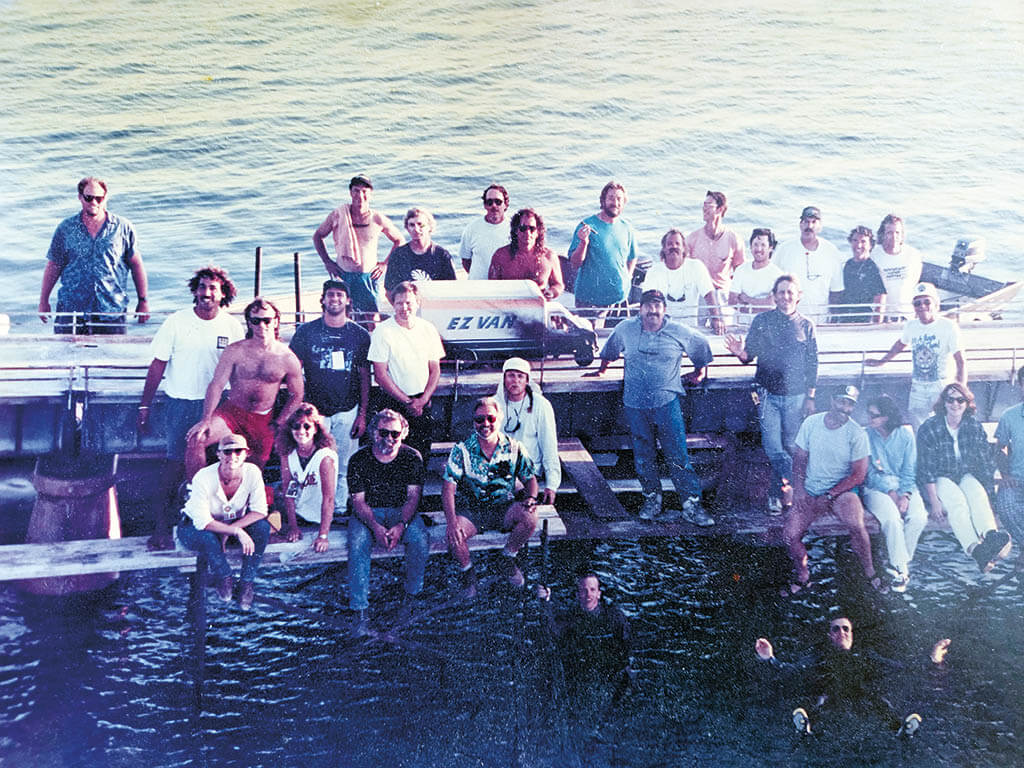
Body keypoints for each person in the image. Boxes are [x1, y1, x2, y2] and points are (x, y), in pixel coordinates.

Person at [138, 266, 244, 550]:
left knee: (218, 467)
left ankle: (214, 533)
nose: (207, 293)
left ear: (224, 295)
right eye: (202, 287)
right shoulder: (176, 322)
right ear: (195, 291)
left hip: (219, 408)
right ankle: (161, 529)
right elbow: (157, 365)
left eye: (213, 289)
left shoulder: (232, 326)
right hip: (181, 405)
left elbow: (238, 373)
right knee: (174, 468)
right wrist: (144, 406)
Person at [588, 289, 715, 526]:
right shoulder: (625, 328)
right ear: (640, 309)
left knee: (677, 455)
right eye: (648, 306)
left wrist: (699, 372)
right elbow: (610, 350)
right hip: (634, 404)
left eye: (657, 306)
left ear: (664, 310)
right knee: (643, 455)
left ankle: (692, 505)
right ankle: (651, 500)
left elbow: (702, 345)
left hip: (667, 402)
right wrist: (602, 369)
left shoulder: (679, 331)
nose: (652, 310)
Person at [755, 613, 950, 737]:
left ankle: (901, 728)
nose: (842, 632)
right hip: (830, 689)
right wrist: (769, 658)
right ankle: (806, 725)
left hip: (860, 691)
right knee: (820, 701)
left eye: (846, 628)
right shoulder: (820, 654)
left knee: (880, 702)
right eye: (836, 628)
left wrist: (932, 659)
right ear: (830, 635)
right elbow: (794, 669)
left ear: (852, 634)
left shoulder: (865, 655)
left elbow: (900, 667)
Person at [725, 274, 818, 515]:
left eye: (790, 292)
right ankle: (805, 488)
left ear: (798, 296)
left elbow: (812, 363)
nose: (786, 297)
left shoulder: (806, 325)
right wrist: (739, 352)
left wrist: (810, 396)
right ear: (774, 296)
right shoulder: (762, 320)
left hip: (796, 397)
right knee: (773, 447)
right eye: (781, 292)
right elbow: (749, 357)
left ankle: (776, 495)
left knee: (790, 445)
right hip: (767, 396)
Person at [185, 298, 304, 477]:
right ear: (249, 323)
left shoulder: (287, 358)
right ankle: (194, 491)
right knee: (197, 439)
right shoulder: (235, 351)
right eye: (255, 320)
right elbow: (216, 385)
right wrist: (206, 419)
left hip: (264, 421)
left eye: (267, 320)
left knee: (252, 473)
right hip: (232, 413)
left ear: (276, 321)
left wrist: (280, 422)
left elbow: (297, 395)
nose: (261, 325)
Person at [782, 385, 884, 594]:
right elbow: (799, 458)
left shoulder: (857, 433)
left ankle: (870, 571)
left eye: (850, 404)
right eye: (841, 401)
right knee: (789, 535)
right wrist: (800, 491)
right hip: (810, 490)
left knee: (857, 525)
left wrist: (830, 495)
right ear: (831, 401)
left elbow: (858, 475)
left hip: (842, 492)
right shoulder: (811, 423)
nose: (845, 408)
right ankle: (803, 576)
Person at [288, 279, 370, 518]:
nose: (334, 299)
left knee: (344, 464)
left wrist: (363, 414)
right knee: (314, 463)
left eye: (339, 295)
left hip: (348, 410)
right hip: (315, 413)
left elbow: (365, 376)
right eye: (330, 295)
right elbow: (294, 371)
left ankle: (341, 508)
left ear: (348, 301)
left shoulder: (360, 335)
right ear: (322, 300)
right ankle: (314, 511)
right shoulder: (305, 332)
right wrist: (299, 408)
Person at [442, 397, 539, 596]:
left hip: (504, 507)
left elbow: (530, 479)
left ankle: (507, 558)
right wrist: (451, 521)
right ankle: (468, 573)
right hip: (472, 511)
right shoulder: (461, 450)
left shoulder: (515, 447)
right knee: (454, 535)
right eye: (479, 420)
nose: (485, 424)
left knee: (530, 519)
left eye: (490, 418)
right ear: (473, 421)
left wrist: (531, 497)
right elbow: (448, 488)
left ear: (499, 419)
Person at [916, 382, 1012, 573]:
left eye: (960, 400)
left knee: (977, 494)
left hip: (965, 474)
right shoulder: (930, 427)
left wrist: (990, 496)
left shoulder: (973, 426)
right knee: (957, 502)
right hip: (938, 478)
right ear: (943, 403)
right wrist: (934, 502)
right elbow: (925, 469)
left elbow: (985, 464)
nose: (955, 404)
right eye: (950, 399)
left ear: (967, 403)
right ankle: (975, 549)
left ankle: (991, 536)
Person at [347, 409, 429, 630]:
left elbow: (413, 497)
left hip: (400, 512)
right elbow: (358, 502)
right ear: (374, 433)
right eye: (384, 433)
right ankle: (360, 609)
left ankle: (411, 596)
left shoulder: (412, 457)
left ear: (403, 433)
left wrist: (401, 525)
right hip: (368, 514)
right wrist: (375, 526)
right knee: (357, 544)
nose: (389, 439)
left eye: (395, 434)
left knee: (420, 539)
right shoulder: (358, 459)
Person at [39, 176, 149, 335]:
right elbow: (53, 265)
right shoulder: (65, 229)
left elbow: (136, 265)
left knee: (109, 358)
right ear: (80, 197)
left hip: (111, 309)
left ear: (105, 198)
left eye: (99, 198)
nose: (94, 203)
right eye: (89, 198)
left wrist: (143, 301)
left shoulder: (122, 228)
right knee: (67, 357)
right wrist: (44, 301)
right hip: (72, 309)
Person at [176, 434, 271, 611]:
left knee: (262, 527)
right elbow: (202, 522)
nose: (232, 456)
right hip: (194, 527)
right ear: (219, 454)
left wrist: (230, 530)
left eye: (238, 451)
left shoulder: (252, 472)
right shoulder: (203, 477)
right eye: (227, 451)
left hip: (229, 523)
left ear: (246, 454)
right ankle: (224, 576)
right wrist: (236, 532)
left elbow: (260, 511)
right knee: (208, 538)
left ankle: (247, 582)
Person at [866, 282, 966, 429]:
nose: (922, 306)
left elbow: (961, 361)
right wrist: (882, 361)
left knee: (946, 428)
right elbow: (900, 344)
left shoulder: (948, 326)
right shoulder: (911, 326)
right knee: (918, 428)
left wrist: (961, 390)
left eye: (927, 302)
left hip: (941, 386)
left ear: (936, 304)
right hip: (918, 386)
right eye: (917, 303)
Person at [367, 281, 445, 461]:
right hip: (394, 403)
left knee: (421, 455)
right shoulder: (383, 331)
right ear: (393, 304)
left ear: (417, 303)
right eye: (399, 302)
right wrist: (408, 402)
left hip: (423, 403)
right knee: (391, 455)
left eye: (409, 302)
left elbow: (435, 369)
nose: (404, 307)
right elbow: (380, 375)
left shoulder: (428, 329)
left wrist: (423, 400)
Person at [312, 174, 404, 314]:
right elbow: (318, 236)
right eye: (356, 190)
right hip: (343, 275)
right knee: (344, 315)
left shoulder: (377, 218)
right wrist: (327, 262)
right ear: (350, 192)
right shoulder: (339, 214)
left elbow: (399, 241)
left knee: (371, 317)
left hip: (368, 276)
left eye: (364, 191)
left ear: (370, 194)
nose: (360, 195)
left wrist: (385, 264)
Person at [863, 395, 928, 592]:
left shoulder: (906, 435)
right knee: (891, 520)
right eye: (870, 414)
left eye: (874, 415)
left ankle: (896, 563)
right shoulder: (865, 435)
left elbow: (910, 470)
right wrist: (891, 492)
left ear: (887, 417)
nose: (870, 418)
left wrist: (905, 495)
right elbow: (868, 474)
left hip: (904, 485)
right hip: (876, 488)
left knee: (919, 518)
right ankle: (901, 568)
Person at [537, 572, 634, 698]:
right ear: (577, 595)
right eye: (583, 590)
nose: (588, 595)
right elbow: (551, 631)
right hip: (580, 687)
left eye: (592, 590)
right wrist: (545, 601)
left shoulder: (614, 617)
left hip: (610, 686)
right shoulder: (570, 619)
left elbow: (628, 647)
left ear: (599, 594)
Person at [493, 357, 561, 504]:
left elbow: (549, 446)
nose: (515, 380)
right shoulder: (493, 404)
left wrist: (552, 485)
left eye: (520, 376)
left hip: (529, 471)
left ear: (527, 380)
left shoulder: (541, 405)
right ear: (504, 378)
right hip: (500, 469)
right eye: (511, 375)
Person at [567, 181, 638, 313]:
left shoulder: (627, 228)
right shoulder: (587, 225)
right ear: (603, 200)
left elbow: (633, 257)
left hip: (620, 299)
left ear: (624, 203)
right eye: (611, 198)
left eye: (619, 199)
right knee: (590, 334)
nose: (615, 203)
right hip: (590, 300)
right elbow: (574, 263)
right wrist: (583, 242)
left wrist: (628, 276)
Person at [277, 404, 338, 548]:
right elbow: (289, 491)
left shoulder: (325, 457)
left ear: (316, 429)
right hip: (297, 514)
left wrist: (323, 536)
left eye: (307, 426)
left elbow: (329, 499)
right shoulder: (287, 453)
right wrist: (293, 527)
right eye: (296, 426)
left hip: (319, 516)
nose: (301, 431)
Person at [640, 228, 721, 332]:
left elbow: (709, 294)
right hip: (662, 329)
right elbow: (647, 301)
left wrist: (716, 318)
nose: (674, 247)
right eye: (669, 244)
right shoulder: (654, 271)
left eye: (677, 244)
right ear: (664, 249)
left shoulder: (696, 266)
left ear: (684, 248)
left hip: (690, 329)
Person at [771, 206, 843, 321]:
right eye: (806, 222)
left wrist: (833, 320)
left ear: (820, 226)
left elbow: (836, 291)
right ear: (800, 224)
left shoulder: (832, 251)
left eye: (814, 222)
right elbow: (773, 286)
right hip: (788, 320)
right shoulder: (784, 249)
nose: (809, 226)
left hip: (821, 321)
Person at [685, 190, 745, 323]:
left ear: (720, 209)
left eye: (708, 205)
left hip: (722, 294)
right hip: (699, 295)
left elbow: (740, 272)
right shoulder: (692, 239)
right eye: (703, 205)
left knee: (724, 332)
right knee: (695, 330)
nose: (704, 209)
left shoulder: (733, 239)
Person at [488, 208, 564, 299]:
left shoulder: (549, 256)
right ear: (516, 231)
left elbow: (558, 285)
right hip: (509, 306)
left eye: (532, 229)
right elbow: (491, 286)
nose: (528, 233)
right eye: (523, 228)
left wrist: (551, 292)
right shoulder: (501, 255)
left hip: (538, 306)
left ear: (538, 232)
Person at [383, 207, 456, 293]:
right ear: (407, 228)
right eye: (411, 225)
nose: (416, 229)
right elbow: (389, 290)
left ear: (430, 227)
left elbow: (451, 288)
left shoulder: (442, 255)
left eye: (420, 224)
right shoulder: (398, 255)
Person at [995, 366, 1024, 560]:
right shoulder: (1009, 416)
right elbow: (999, 448)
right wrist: (1005, 475)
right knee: (1004, 505)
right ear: (1021, 385)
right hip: (1017, 478)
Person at [872, 214, 923, 321]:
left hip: (907, 314)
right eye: (889, 232)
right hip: (882, 316)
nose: (894, 236)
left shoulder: (913, 254)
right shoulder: (873, 255)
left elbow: (914, 281)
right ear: (883, 234)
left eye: (897, 232)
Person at [728, 228, 783, 322]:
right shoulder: (741, 270)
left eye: (763, 245)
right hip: (741, 324)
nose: (758, 249)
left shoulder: (777, 274)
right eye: (755, 245)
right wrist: (762, 303)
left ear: (771, 248)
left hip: (766, 326)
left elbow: (772, 304)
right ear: (750, 246)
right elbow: (732, 301)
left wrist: (746, 299)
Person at [459, 184, 510, 279]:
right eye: (489, 202)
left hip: (504, 286)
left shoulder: (514, 228)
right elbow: (465, 260)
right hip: (478, 287)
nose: (494, 206)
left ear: (505, 204)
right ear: (485, 205)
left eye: (498, 202)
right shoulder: (472, 228)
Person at [837, 225, 886, 323]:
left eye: (863, 241)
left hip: (864, 321)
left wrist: (876, 326)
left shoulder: (873, 269)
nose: (858, 245)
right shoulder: (847, 265)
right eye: (855, 240)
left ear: (870, 245)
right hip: (845, 319)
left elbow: (880, 300)